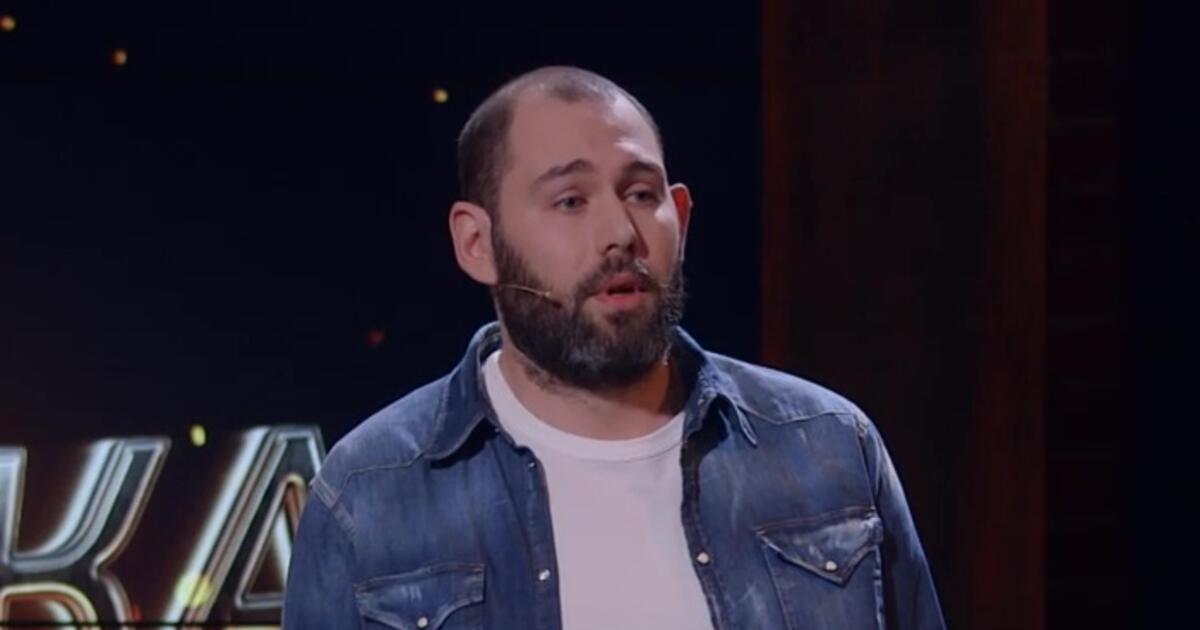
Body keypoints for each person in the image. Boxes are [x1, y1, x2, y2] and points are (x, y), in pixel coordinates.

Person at [282, 65, 945, 630]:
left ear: (681, 218)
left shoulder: (827, 447)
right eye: (571, 201)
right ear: (477, 243)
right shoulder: (369, 494)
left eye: (641, 193)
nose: (621, 232)